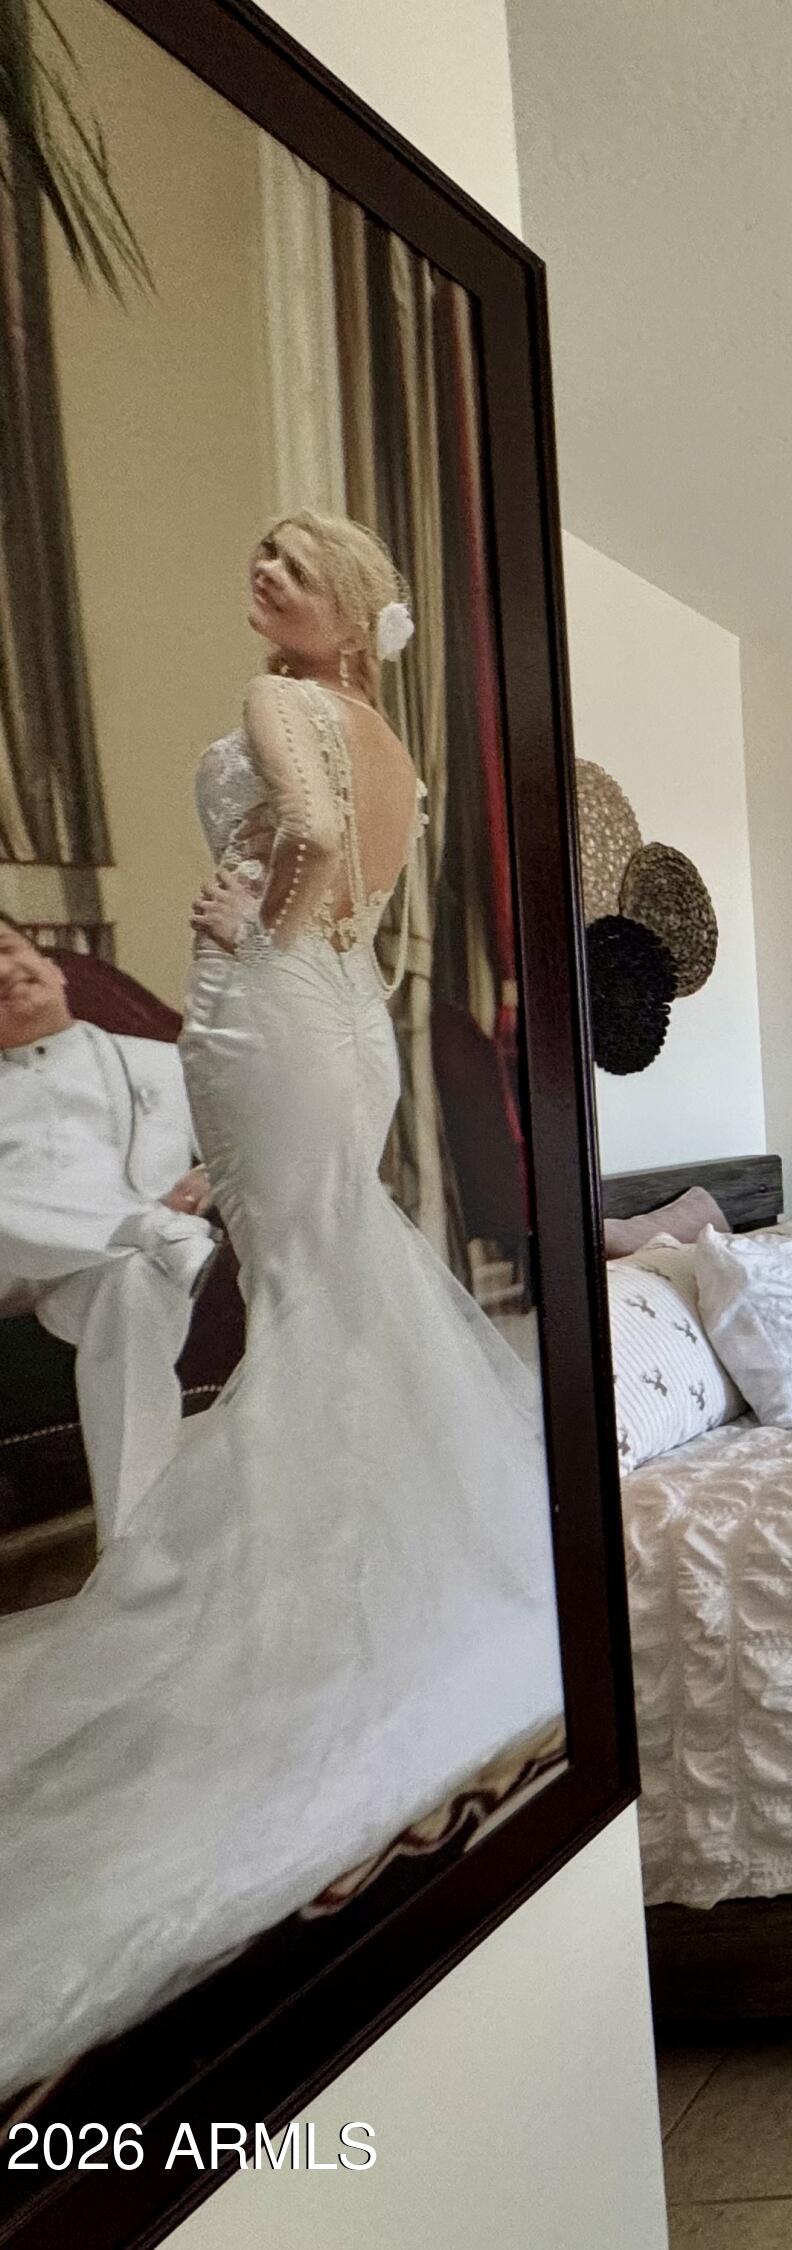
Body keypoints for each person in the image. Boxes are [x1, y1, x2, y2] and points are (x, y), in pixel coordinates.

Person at [0, 514, 562, 2101]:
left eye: (292, 566)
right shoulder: (393, 737)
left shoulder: (283, 703)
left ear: (346, 611)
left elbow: (306, 832)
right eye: (256, 555)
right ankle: (399, 1566)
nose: (263, 576)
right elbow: (360, 884)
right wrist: (303, 930)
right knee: (339, 1278)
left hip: (273, 1005)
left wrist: (256, 928)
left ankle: (314, 1603)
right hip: (343, 1016)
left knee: (310, 1295)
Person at [0, 915, 216, 1541]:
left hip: (96, 1276)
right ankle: (146, 1228)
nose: (3, 973)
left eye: (8, 949)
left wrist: (209, 1180)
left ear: (55, 967)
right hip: (10, 1265)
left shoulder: (163, 1063)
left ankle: (132, 1546)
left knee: (134, 1284)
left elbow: (244, 1148)